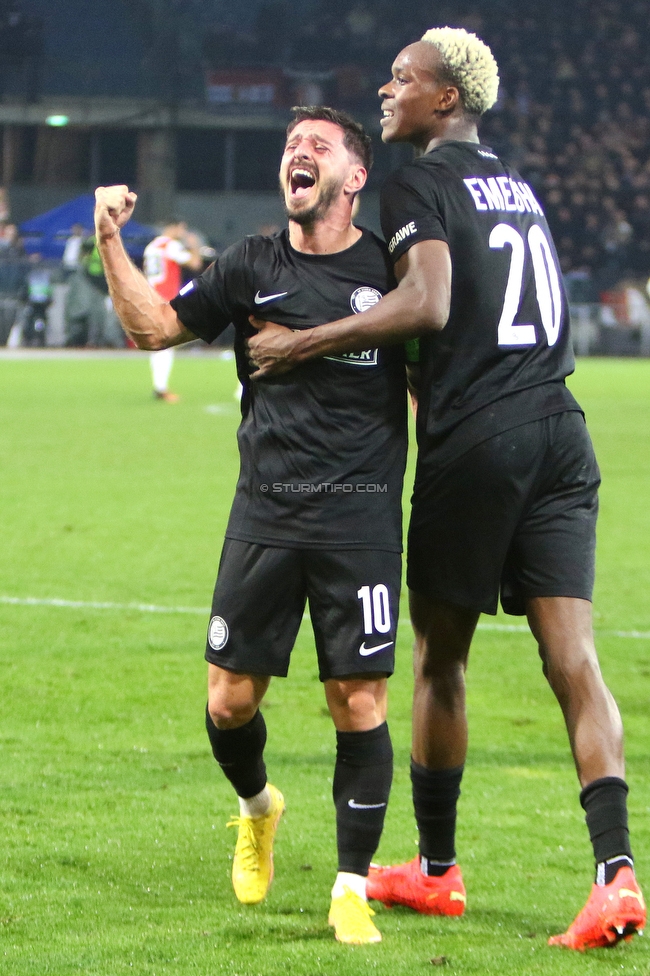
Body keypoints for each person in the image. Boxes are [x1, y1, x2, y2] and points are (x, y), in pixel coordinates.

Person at [246, 29, 647, 952]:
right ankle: (615, 876)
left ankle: (434, 871)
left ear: (447, 98)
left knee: (441, 658)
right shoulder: (518, 185)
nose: (387, 90)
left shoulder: (418, 182)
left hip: (483, 442)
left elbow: (427, 304)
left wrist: (297, 343)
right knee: (573, 660)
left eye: (403, 78)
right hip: (561, 429)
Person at [93, 106, 408, 945]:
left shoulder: (390, 273)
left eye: (319, 146)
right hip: (265, 512)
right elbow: (152, 329)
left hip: (361, 521)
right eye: (291, 145)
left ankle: (350, 887)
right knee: (229, 703)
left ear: (355, 176)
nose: (298, 154)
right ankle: (258, 806)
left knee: (359, 700)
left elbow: (426, 389)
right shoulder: (248, 265)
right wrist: (110, 242)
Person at [143, 222, 202, 402]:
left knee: (159, 343)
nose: (183, 233)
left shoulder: (151, 246)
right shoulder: (171, 245)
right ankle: (161, 388)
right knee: (167, 343)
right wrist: (193, 245)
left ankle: (158, 385)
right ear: (175, 227)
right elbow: (195, 263)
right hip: (165, 298)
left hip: (149, 297)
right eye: (182, 229)